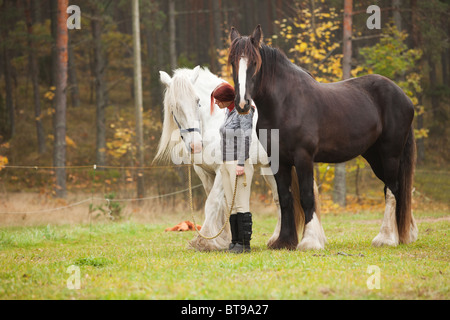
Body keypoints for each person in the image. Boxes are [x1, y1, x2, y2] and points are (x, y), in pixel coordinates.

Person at [211, 82, 254, 253]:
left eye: (217, 100)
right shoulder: (228, 113)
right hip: (226, 162)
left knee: (241, 204)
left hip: (238, 162)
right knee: (231, 205)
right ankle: (235, 241)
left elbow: (246, 137)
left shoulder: (243, 111)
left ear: (226, 99)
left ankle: (245, 244)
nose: (215, 103)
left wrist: (241, 163)